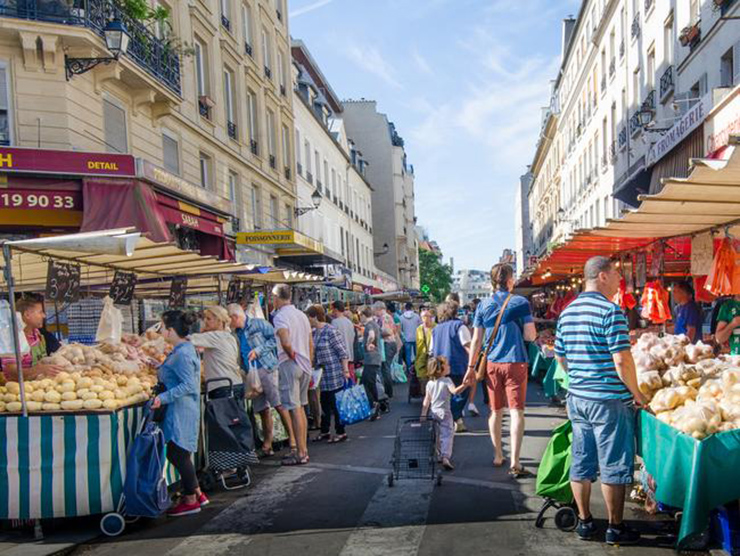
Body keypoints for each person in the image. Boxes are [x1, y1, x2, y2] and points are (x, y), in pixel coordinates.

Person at [553, 256, 647, 546]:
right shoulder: (611, 311)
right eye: (617, 276)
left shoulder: (567, 314)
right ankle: (615, 527)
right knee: (614, 464)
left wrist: (580, 377)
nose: (620, 281)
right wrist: (637, 393)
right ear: (602, 276)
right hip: (608, 401)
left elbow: (560, 357)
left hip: (578, 398)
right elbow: (621, 360)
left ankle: (585, 522)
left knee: (581, 461)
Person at [464, 263, 536, 476]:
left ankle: (497, 454)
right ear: (510, 280)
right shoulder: (521, 302)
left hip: (492, 363)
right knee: (516, 412)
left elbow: (476, 339)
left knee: (495, 411)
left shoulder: (483, 305)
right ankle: (515, 460)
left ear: (492, 282)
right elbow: (530, 335)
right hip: (515, 361)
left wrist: (470, 367)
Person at [151, 310, 208, 516]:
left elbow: (188, 385)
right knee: (180, 453)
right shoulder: (181, 349)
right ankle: (197, 493)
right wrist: (156, 365)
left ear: (171, 330)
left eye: (163, 327)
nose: (161, 331)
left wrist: (162, 398)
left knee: (178, 454)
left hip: (181, 410)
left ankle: (191, 500)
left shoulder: (183, 353)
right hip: (179, 409)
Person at [228, 303, 292, 458]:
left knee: (278, 405)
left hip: (267, 368)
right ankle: (267, 444)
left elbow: (275, 341)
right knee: (262, 409)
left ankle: (294, 442)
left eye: (228, 319)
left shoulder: (259, 324)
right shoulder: (235, 333)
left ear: (235, 317)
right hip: (252, 374)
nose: (227, 322)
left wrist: (258, 350)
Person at [272, 284, 313, 466]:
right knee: (301, 407)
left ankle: (300, 452)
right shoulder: (301, 315)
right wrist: (308, 362)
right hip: (305, 364)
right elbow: (310, 342)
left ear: (276, 297)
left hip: (291, 363)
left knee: (294, 408)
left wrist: (291, 354)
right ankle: (303, 450)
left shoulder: (280, 316)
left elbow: (285, 340)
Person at [307, 305, 350, 443]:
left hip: (334, 372)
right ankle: (324, 430)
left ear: (313, 317)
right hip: (321, 375)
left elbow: (342, 352)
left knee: (335, 403)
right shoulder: (313, 332)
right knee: (324, 402)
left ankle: (340, 431)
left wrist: (346, 371)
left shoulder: (331, 331)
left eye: (307, 317)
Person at [1, 295, 64, 381]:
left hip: (39, 384)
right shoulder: (13, 339)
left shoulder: (37, 333)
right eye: (40, 312)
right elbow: (11, 371)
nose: (44, 316)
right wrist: (37, 370)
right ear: (27, 315)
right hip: (19, 389)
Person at [422, 355, 468, 471]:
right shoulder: (447, 381)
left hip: (434, 413)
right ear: (440, 369)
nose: (449, 366)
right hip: (446, 413)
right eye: (447, 365)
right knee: (447, 434)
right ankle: (445, 457)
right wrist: (465, 385)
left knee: (436, 435)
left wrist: (423, 414)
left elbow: (427, 401)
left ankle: (438, 454)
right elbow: (455, 392)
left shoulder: (429, 384)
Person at [431, 301, 472, 432]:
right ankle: (455, 418)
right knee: (461, 392)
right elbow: (467, 346)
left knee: (445, 395)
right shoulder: (459, 326)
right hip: (458, 364)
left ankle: (454, 420)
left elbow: (431, 350)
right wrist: (474, 364)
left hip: (440, 366)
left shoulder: (436, 329)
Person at [189, 306, 243, 399]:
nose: (205, 321)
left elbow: (188, 339)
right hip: (234, 384)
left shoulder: (216, 336)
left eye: (209, 319)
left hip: (223, 387)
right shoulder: (229, 336)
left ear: (219, 321)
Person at [360, 306, 383, 420]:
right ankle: (375, 405)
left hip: (371, 358)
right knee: (369, 382)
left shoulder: (369, 325)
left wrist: (367, 344)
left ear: (364, 315)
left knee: (367, 383)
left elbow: (372, 335)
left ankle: (375, 404)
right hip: (375, 358)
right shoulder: (374, 323)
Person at [330, 300, 356, 377]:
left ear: (336, 309)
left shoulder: (334, 322)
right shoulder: (349, 322)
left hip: (340, 358)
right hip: (350, 356)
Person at [415, 308, 436, 395]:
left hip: (433, 357)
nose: (426, 318)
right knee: (422, 378)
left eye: (428, 316)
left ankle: (432, 398)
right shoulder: (419, 329)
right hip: (421, 357)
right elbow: (418, 344)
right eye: (424, 316)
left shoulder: (436, 327)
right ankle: (425, 395)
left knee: (433, 377)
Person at [399, 302, 422, 373]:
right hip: (416, 337)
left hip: (406, 338)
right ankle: (417, 368)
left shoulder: (401, 317)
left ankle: (409, 370)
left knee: (408, 355)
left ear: (405, 308)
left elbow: (401, 329)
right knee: (417, 354)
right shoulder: (417, 316)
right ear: (412, 308)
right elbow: (420, 326)